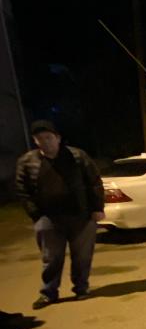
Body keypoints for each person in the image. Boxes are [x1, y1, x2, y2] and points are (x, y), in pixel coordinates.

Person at [15, 120, 105, 309]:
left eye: (49, 137)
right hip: (48, 219)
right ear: (35, 141)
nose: (45, 142)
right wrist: (35, 214)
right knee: (51, 259)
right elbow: (22, 191)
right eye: (40, 138)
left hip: (81, 217)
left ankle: (81, 288)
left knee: (82, 257)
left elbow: (94, 182)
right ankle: (48, 293)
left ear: (58, 138)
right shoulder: (27, 161)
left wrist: (97, 208)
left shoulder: (77, 156)